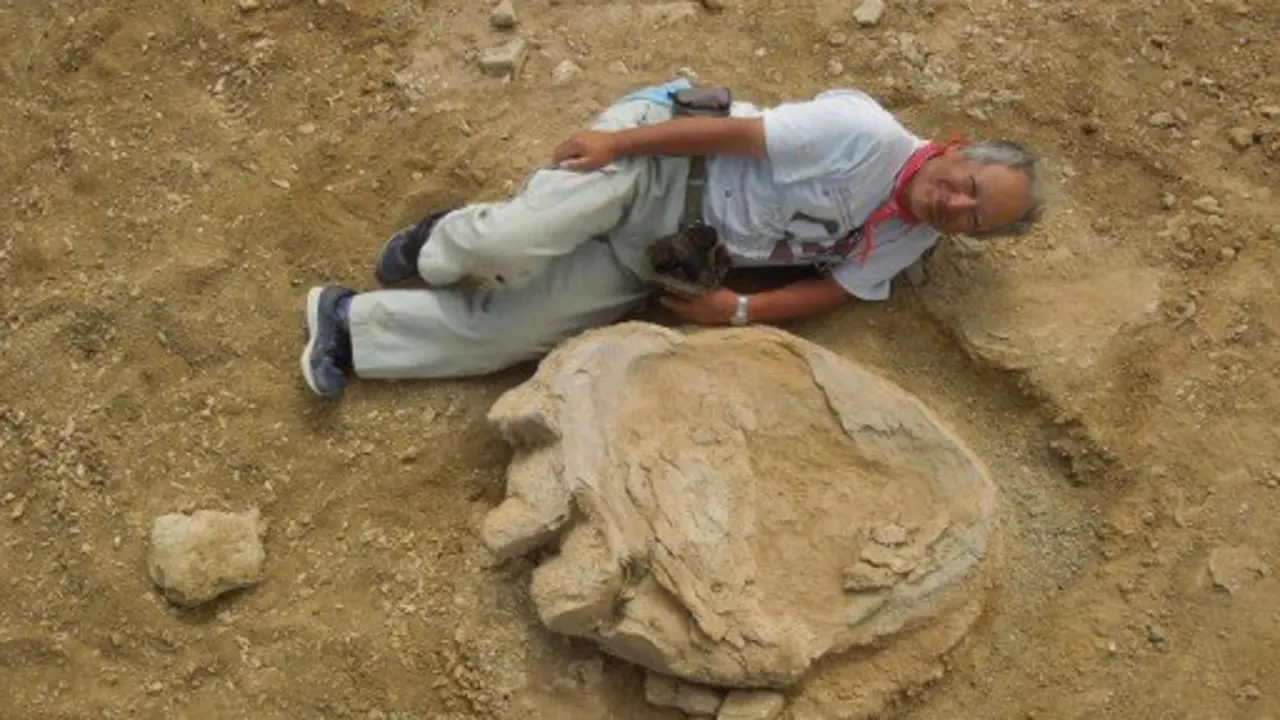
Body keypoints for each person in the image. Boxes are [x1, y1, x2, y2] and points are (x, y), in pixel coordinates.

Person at [299, 78, 1048, 398]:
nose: (956, 205)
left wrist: (740, 311)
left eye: (976, 218)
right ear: (957, 148)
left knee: (516, 334)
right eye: (969, 186)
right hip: (660, 163)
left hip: (670, 254)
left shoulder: (914, 238)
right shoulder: (864, 134)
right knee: (513, 242)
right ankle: (440, 240)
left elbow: (838, 287)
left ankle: (347, 327)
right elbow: (733, 131)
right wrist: (617, 146)